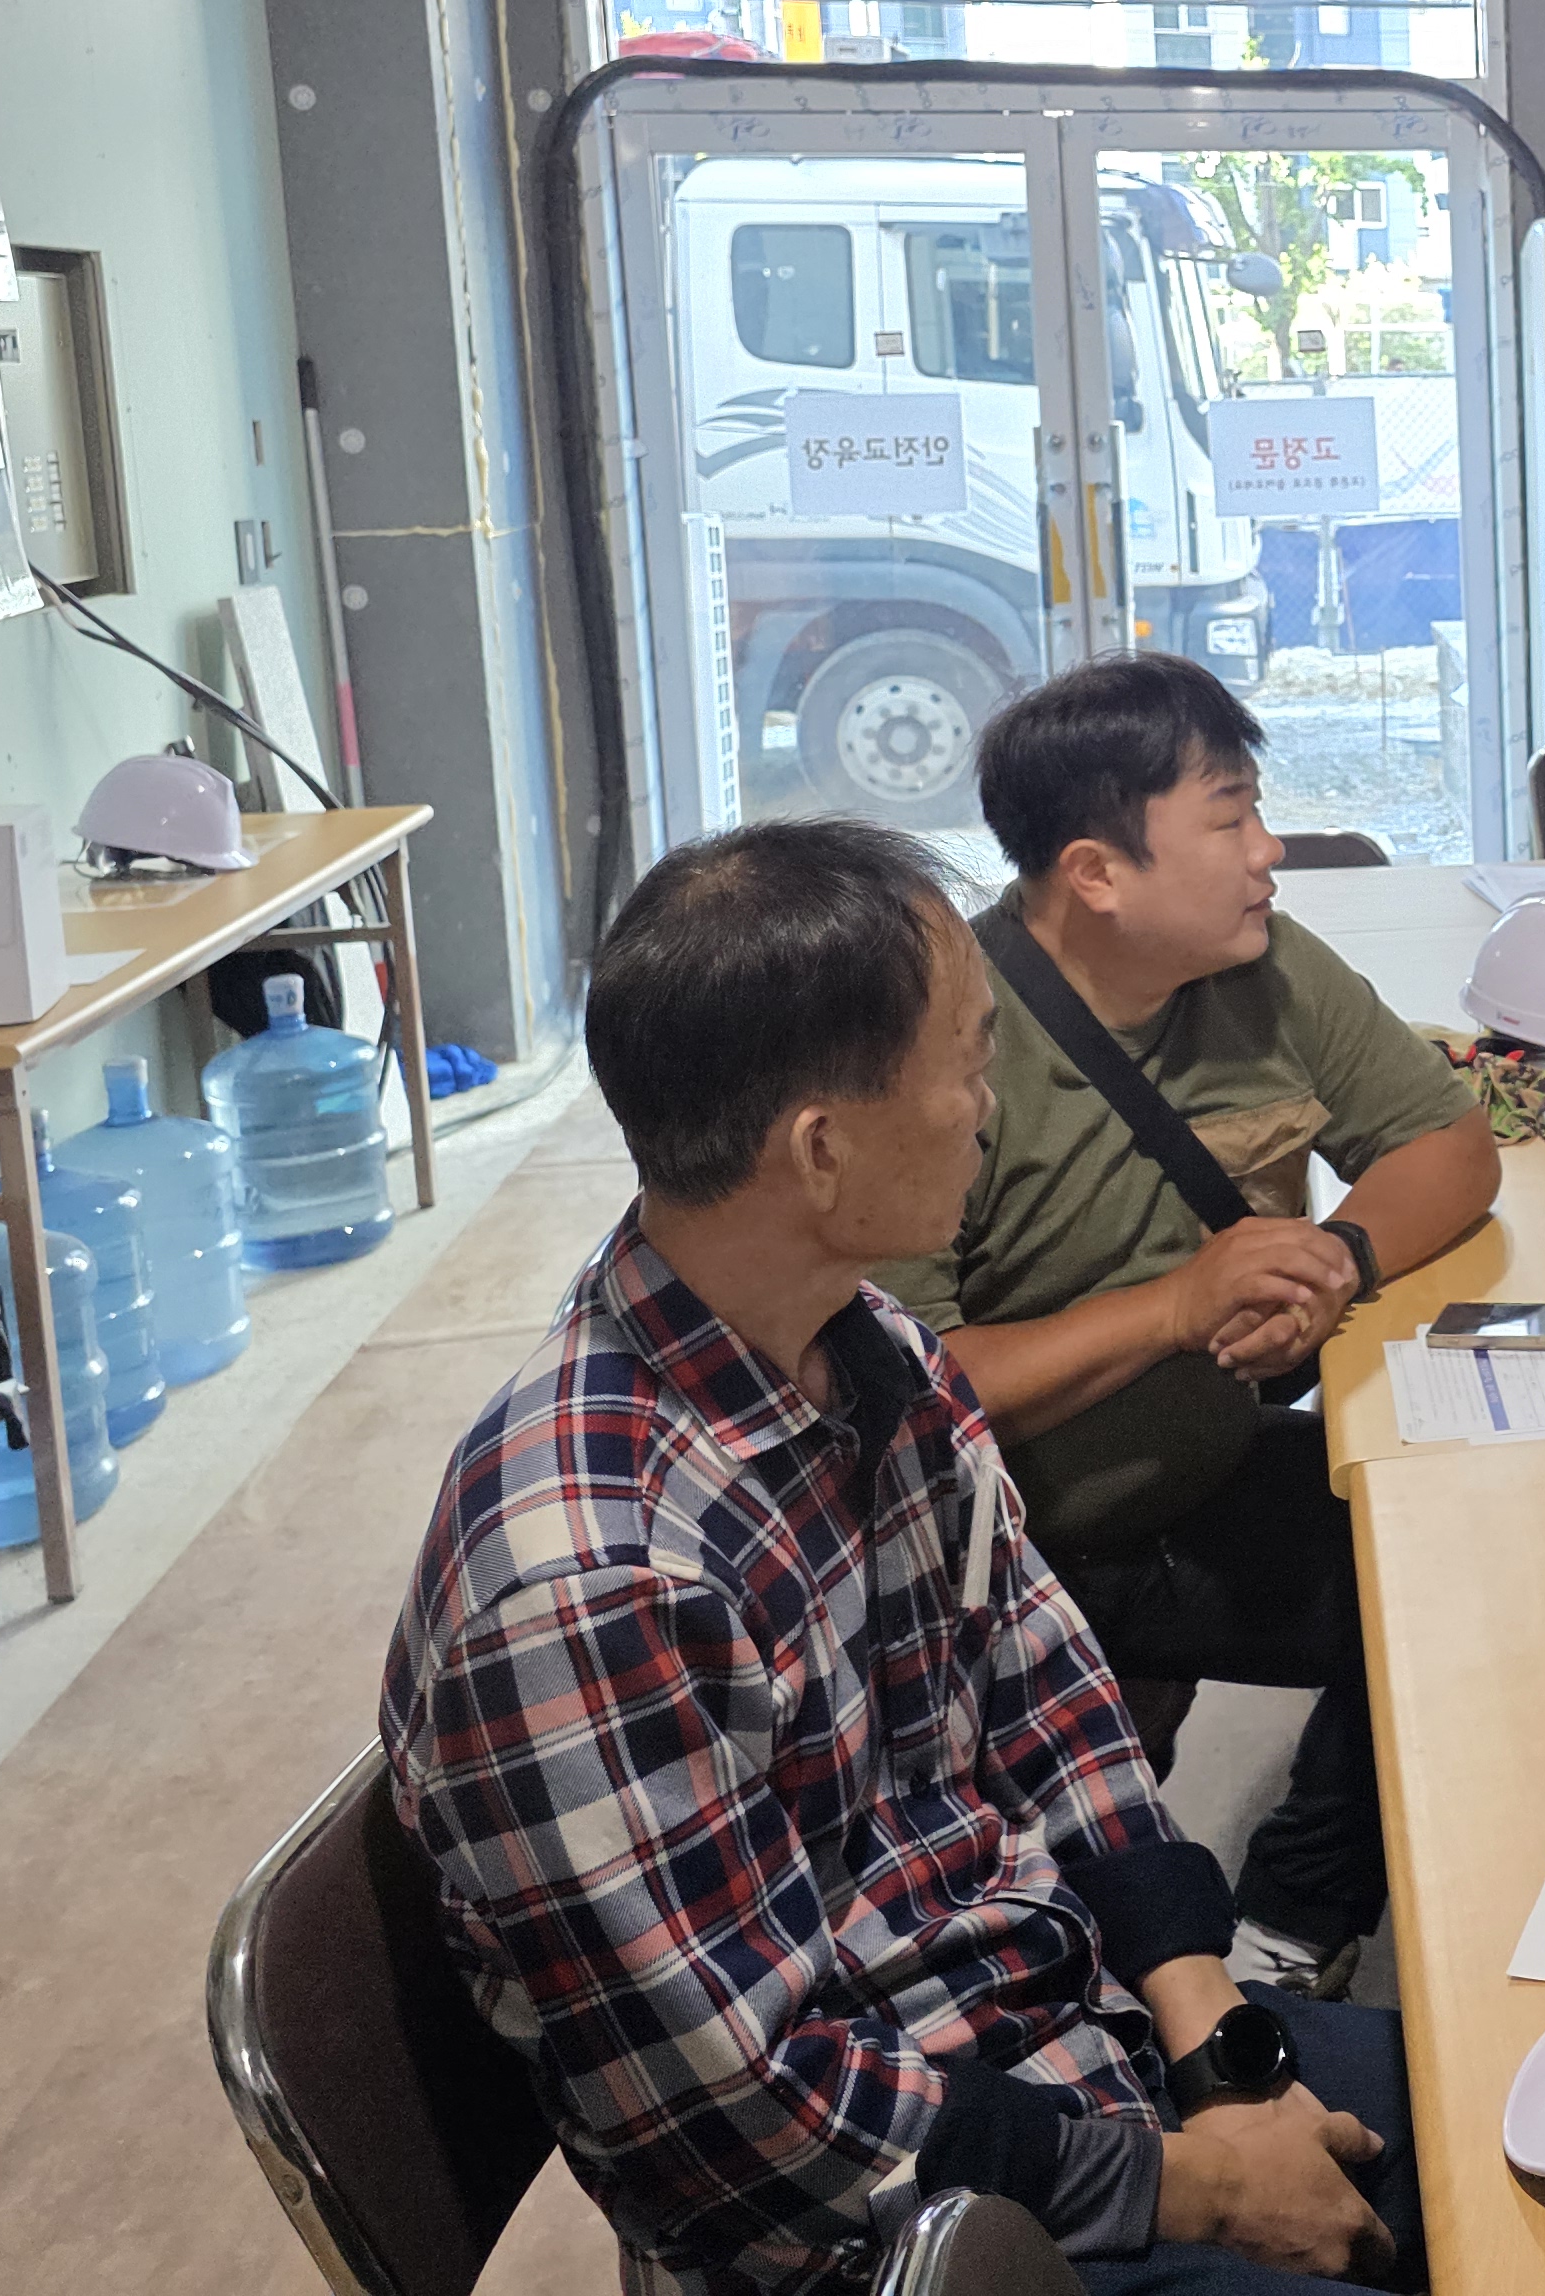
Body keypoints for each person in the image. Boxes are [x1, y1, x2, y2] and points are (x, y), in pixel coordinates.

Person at [382, 819, 1423, 2294]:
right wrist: (1191, 2185)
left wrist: (1219, 2047)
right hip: (898, 2225)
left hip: (1068, 2039)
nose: (988, 1111)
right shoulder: (590, 1581)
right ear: (823, 1149)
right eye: (970, 1065)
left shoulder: (865, 1346)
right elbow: (750, 2119)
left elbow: (1044, 1685)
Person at [902, 655, 1499, 1998]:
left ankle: (1293, 1914)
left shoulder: (1261, 964)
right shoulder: (943, 1044)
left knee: (1461, 1559)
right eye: (1229, 818)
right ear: (1095, 873)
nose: (1268, 850)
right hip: (1025, 1558)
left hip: (1207, 1471)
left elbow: (1449, 1146)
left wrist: (1333, 1262)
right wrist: (1178, 1309)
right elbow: (910, 1386)